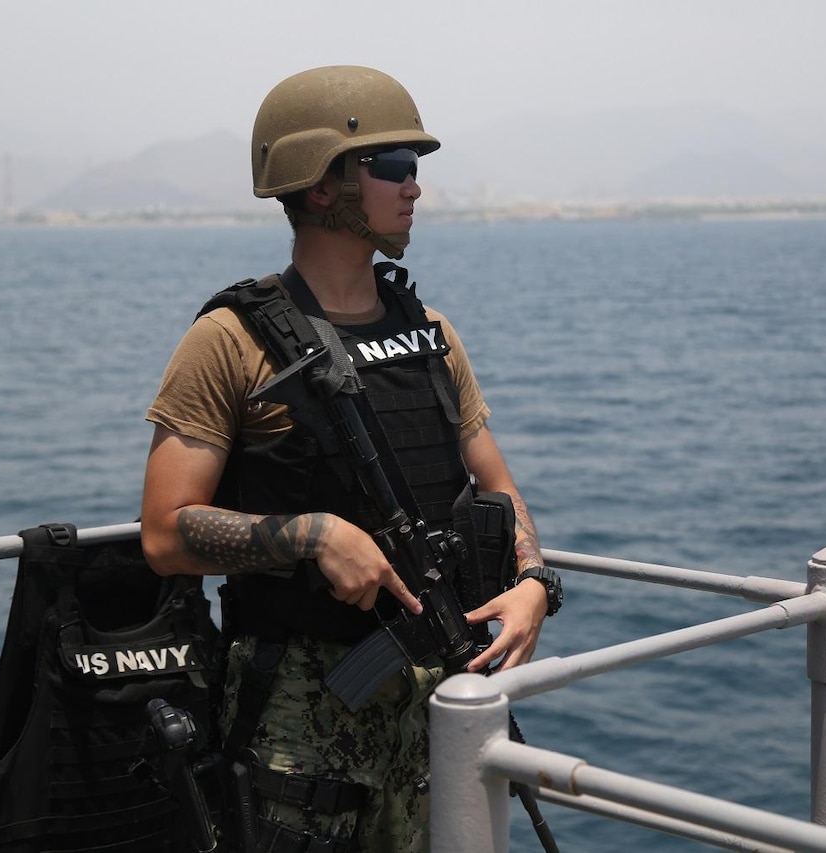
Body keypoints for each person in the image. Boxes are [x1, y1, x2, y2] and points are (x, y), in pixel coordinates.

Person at [140, 65, 562, 852]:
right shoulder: (230, 340)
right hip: (297, 729)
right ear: (323, 181)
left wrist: (534, 583)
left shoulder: (429, 331)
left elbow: (497, 488)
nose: (415, 189)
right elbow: (164, 534)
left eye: (416, 170)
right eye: (394, 167)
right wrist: (312, 535)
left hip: (442, 709)